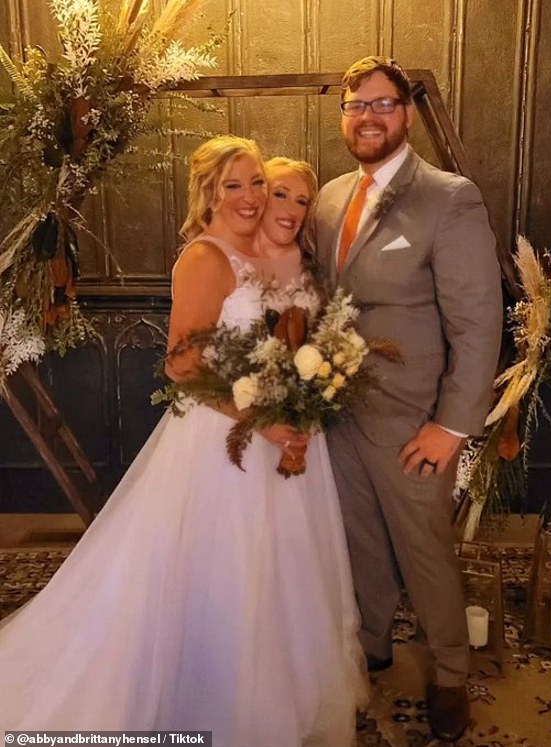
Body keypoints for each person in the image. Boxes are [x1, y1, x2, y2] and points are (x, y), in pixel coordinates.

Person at [0, 136, 367, 745]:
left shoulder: (269, 250)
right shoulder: (204, 257)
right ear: (208, 193)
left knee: (286, 574)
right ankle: (216, 703)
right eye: (234, 186)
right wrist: (259, 419)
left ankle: (282, 696)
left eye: (257, 183)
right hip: (224, 441)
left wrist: (304, 397)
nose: (250, 197)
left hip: (282, 431)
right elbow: (180, 365)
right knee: (225, 572)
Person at [312, 56, 503, 742]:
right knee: (359, 539)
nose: (367, 116)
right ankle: (373, 641)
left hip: (414, 420)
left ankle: (450, 671)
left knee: (424, 551)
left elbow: (478, 322)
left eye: (382, 104)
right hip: (338, 411)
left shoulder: (449, 198)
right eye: (354, 104)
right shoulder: (330, 196)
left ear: (407, 113)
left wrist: (452, 428)